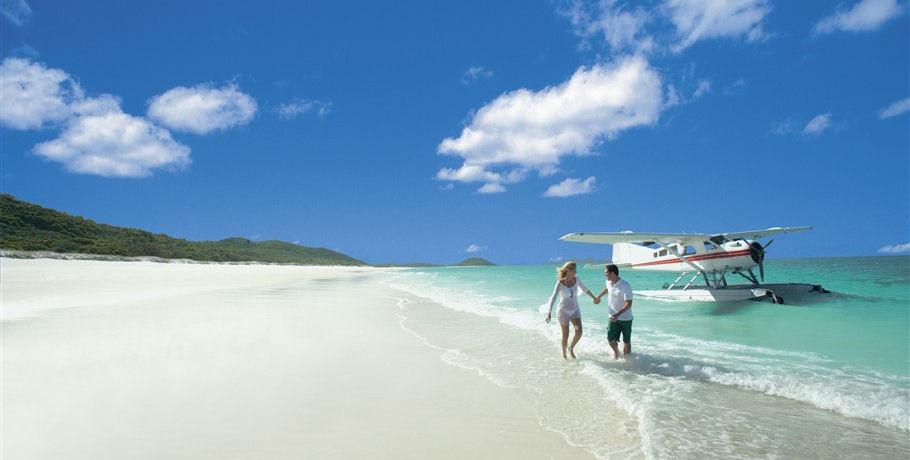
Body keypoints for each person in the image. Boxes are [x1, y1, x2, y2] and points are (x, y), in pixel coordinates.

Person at [545, 261, 600, 360]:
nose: (576, 273)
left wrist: (594, 298)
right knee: (565, 334)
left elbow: (585, 289)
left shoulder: (577, 280)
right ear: (568, 271)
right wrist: (548, 312)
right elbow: (553, 298)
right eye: (574, 271)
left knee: (579, 331)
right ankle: (564, 355)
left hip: (575, 310)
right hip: (563, 311)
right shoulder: (560, 283)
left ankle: (571, 348)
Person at [596, 264, 633, 360]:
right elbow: (607, 289)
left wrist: (618, 315)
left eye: (606, 273)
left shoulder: (625, 285)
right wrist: (599, 297)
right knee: (610, 339)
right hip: (612, 316)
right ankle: (616, 352)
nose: (605, 275)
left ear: (612, 273)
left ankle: (627, 361)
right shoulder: (608, 282)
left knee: (626, 341)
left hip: (625, 318)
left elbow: (628, 304)